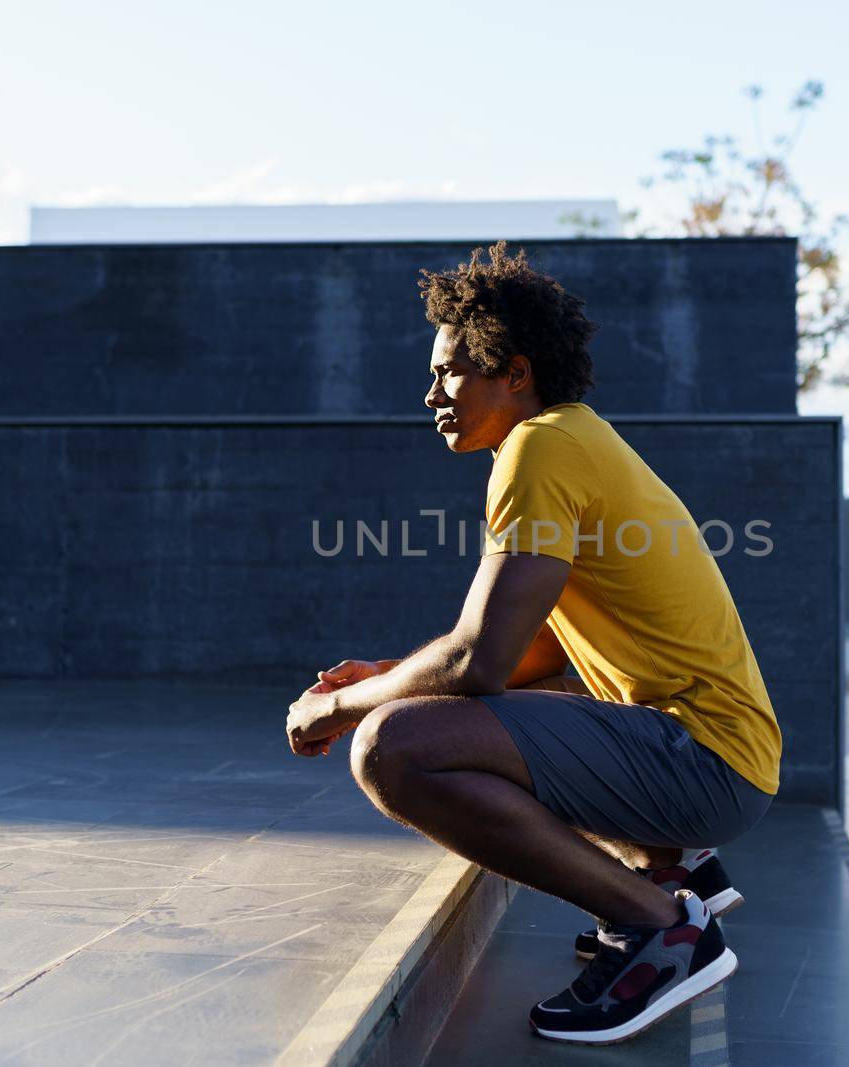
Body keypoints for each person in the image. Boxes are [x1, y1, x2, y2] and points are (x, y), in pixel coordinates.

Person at [285, 241, 781, 1045]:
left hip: (703, 763)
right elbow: (538, 649)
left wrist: (345, 703)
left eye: (449, 372)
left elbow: (478, 660)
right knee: (471, 709)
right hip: (714, 758)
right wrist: (389, 671)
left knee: (392, 747)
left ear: (513, 371)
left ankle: (661, 928)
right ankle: (673, 869)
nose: (431, 393)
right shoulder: (576, 437)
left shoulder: (539, 447)